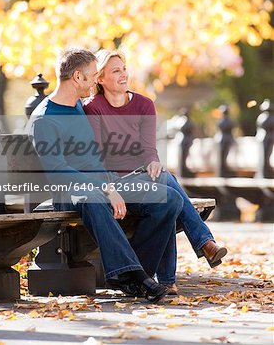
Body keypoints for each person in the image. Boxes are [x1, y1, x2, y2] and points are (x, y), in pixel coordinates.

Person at [28, 47, 185, 303]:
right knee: (93, 198)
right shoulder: (44, 119)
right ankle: (136, 278)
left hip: (105, 183)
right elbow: (59, 172)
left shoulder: (78, 106)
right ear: (77, 77)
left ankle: (137, 273)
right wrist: (106, 189)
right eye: (92, 76)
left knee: (170, 200)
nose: (94, 82)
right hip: (71, 191)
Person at [84, 49, 228, 294]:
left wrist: (152, 161)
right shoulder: (93, 108)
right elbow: (99, 158)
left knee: (165, 186)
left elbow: (149, 149)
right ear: (100, 78)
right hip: (114, 184)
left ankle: (169, 279)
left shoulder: (144, 104)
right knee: (166, 181)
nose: (123, 75)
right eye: (116, 71)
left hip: (141, 179)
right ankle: (203, 245)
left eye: (124, 69)